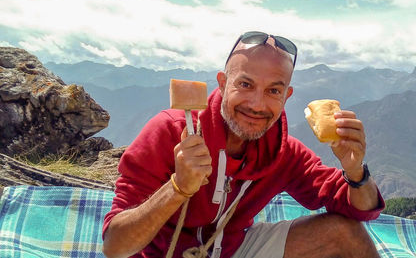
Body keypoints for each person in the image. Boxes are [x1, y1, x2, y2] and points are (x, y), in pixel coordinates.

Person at [102, 31, 385, 258]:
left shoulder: (283, 152)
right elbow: (116, 246)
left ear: (287, 96)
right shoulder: (171, 132)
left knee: (346, 233)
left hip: (235, 248)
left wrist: (355, 171)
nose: (257, 104)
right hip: (164, 253)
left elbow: (359, 209)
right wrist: (177, 188)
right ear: (223, 83)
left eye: (273, 90)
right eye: (246, 85)